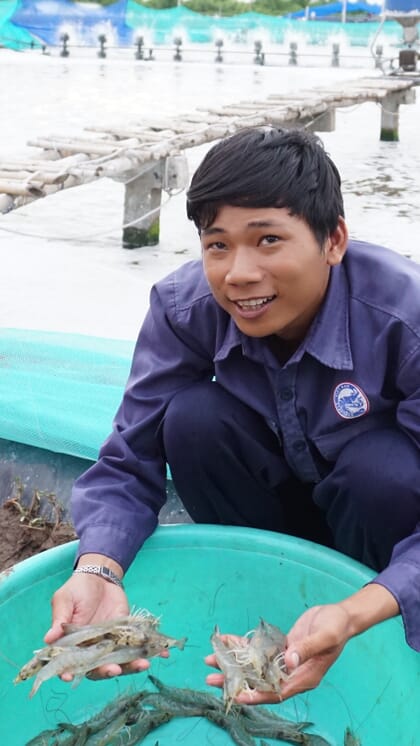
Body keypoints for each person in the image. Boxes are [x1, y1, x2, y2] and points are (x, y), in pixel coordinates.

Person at [45, 126, 420, 701]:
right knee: (193, 418)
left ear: (334, 240)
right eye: (217, 244)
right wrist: (98, 568)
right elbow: (129, 458)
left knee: (384, 467)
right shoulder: (184, 308)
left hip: (377, 532)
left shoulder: (404, 317)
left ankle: (365, 619)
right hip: (270, 509)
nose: (238, 273)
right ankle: (265, 599)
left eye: (268, 240)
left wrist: (355, 610)